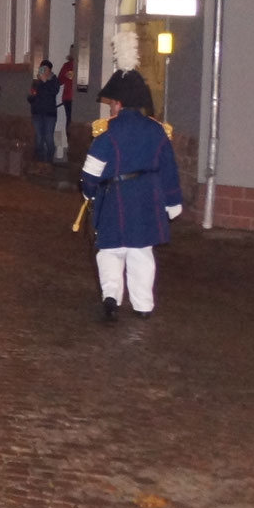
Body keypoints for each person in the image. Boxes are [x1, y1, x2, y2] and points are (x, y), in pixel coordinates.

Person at [82, 33, 182, 323]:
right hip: (148, 199)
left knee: (110, 252)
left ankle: (112, 296)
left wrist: (88, 192)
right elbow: (169, 167)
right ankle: (143, 305)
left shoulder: (107, 132)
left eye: (113, 102)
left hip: (115, 199)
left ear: (119, 105)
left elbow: (90, 171)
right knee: (141, 254)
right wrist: (172, 201)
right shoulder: (157, 131)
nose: (110, 106)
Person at [27, 60, 61, 163]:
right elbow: (31, 97)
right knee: (38, 138)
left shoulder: (54, 80)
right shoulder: (36, 81)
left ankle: (49, 160)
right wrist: (32, 96)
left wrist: (45, 81)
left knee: (48, 138)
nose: (43, 71)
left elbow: (54, 91)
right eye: (41, 68)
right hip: (37, 113)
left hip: (49, 114)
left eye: (45, 69)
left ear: (49, 70)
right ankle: (40, 161)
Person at [55, 50, 76, 162]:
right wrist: (66, 76)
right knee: (68, 121)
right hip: (68, 98)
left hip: (78, 98)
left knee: (75, 122)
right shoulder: (67, 66)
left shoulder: (82, 64)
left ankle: (74, 147)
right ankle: (67, 145)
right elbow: (59, 81)